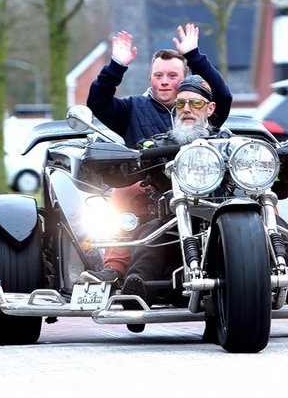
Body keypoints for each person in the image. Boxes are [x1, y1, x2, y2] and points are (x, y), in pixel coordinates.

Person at [115, 76, 288, 319]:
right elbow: (127, 172)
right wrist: (131, 161)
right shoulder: (158, 145)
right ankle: (138, 293)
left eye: (196, 103)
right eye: (181, 104)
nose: (187, 109)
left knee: (276, 227)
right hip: (175, 223)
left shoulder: (234, 143)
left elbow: (279, 188)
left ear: (210, 108)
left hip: (235, 219)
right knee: (151, 234)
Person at [84, 24, 232, 283]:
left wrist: (194, 55)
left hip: (206, 183)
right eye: (158, 75)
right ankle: (114, 268)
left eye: (172, 75)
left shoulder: (201, 109)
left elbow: (222, 96)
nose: (164, 81)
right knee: (123, 191)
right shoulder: (132, 108)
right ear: (150, 79)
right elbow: (98, 102)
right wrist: (117, 65)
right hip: (151, 183)